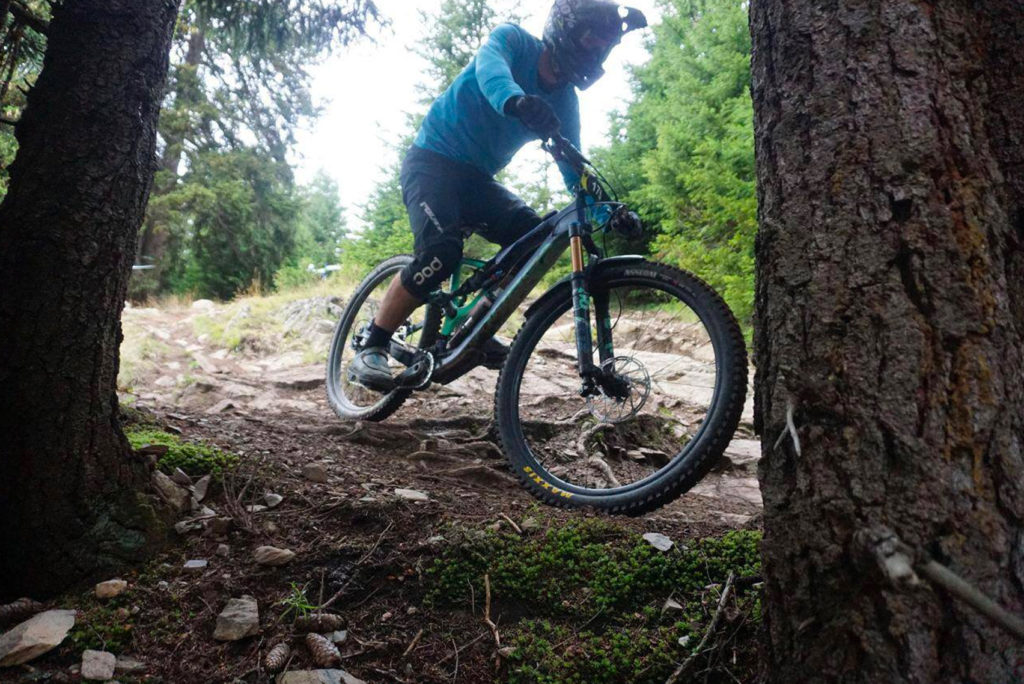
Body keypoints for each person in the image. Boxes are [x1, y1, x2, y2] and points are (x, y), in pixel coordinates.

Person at [348, 0, 647, 392]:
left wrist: (606, 208)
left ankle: (475, 327)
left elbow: (572, 164)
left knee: (536, 241)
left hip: (477, 180)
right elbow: (491, 72)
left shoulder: (565, 99)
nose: (595, 52)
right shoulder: (513, 41)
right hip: (432, 163)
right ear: (566, 30)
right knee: (440, 254)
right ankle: (374, 344)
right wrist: (516, 100)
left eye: (603, 46)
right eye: (591, 41)